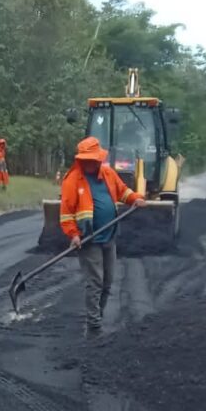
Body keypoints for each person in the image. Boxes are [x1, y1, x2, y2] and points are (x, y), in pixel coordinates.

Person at [59, 137, 147, 335]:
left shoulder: (107, 173)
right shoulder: (72, 180)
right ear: (81, 160)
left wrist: (136, 198)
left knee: (108, 283)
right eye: (88, 160)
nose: (92, 163)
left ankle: (98, 316)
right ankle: (94, 325)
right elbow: (66, 213)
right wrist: (73, 235)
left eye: (95, 159)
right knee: (95, 283)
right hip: (89, 240)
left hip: (109, 236)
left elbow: (123, 192)